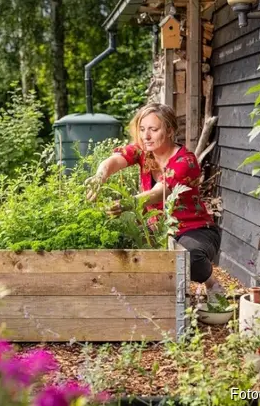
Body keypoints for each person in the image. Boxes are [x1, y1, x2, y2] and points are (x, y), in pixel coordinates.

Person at [85, 103, 223, 294]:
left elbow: (158, 193)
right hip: (158, 229)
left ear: (169, 130)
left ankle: (211, 284)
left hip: (193, 229)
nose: (146, 136)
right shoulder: (144, 151)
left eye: (153, 129)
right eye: (142, 130)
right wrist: (100, 176)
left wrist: (127, 204)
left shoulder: (185, 161)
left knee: (188, 258)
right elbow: (115, 160)